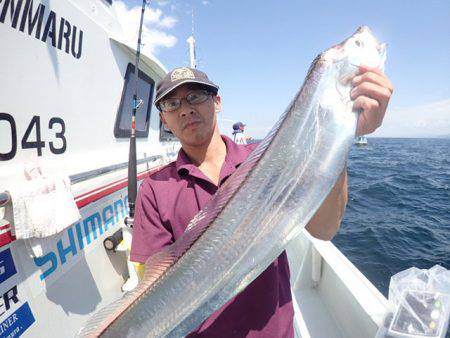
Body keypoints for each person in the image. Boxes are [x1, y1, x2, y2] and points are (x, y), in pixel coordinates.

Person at [130, 66, 394, 337]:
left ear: (217, 102)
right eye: (172, 104)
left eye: (195, 96)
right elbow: (153, 286)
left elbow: (324, 230)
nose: (185, 109)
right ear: (164, 119)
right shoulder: (153, 189)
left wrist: (342, 134)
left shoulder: (268, 161)